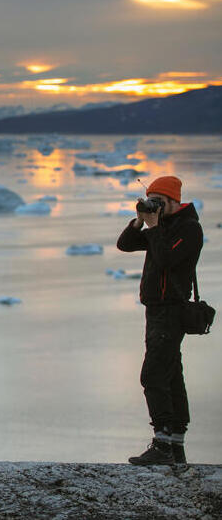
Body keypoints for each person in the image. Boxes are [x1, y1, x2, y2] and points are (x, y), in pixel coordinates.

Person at [117, 176, 203, 465]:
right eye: (150, 199)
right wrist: (140, 221)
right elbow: (125, 245)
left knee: (152, 375)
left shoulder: (189, 229)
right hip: (155, 308)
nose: (154, 205)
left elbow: (167, 259)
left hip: (172, 309)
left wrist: (154, 228)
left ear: (173, 201)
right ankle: (176, 443)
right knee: (170, 374)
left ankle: (163, 443)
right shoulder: (160, 226)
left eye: (158, 201)